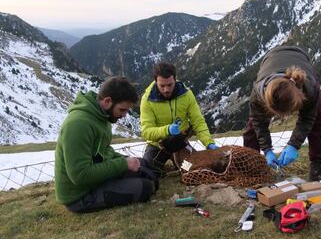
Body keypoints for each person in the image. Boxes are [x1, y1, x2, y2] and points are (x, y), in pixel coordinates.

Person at [55, 76, 157, 213]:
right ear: (108, 101)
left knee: (144, 166)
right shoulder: (77, 125)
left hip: (95, 180)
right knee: (145, 187)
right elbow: (80, 175)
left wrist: (125, 160)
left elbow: (103, 151)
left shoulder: (102, 117)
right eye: (122, 110)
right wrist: (123, 164)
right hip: (80, 195)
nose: (124, 115)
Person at [243, 46, 321, 181]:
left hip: (301, 58)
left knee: (317, 120)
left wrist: (293, 145)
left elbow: (307, 119)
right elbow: (259, 122)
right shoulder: (258, 95)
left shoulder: (310, 88)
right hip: (270, 59)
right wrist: (267, 150)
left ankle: (317, 166)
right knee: (253, 125)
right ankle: (250, 165)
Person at [140, 62, 218, 179]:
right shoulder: (147, 99)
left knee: (194, 170)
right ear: (155, 81)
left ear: (175, 80)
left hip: (180, 143)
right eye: (162, 86)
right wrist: (167, 130)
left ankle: (182, 166)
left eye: (170, 85)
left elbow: (198, 121)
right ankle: (165, 169)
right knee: (149, 173)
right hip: (157, 145)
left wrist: (209, 143)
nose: (166, 89)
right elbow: (146, 132)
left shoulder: (186, 95)